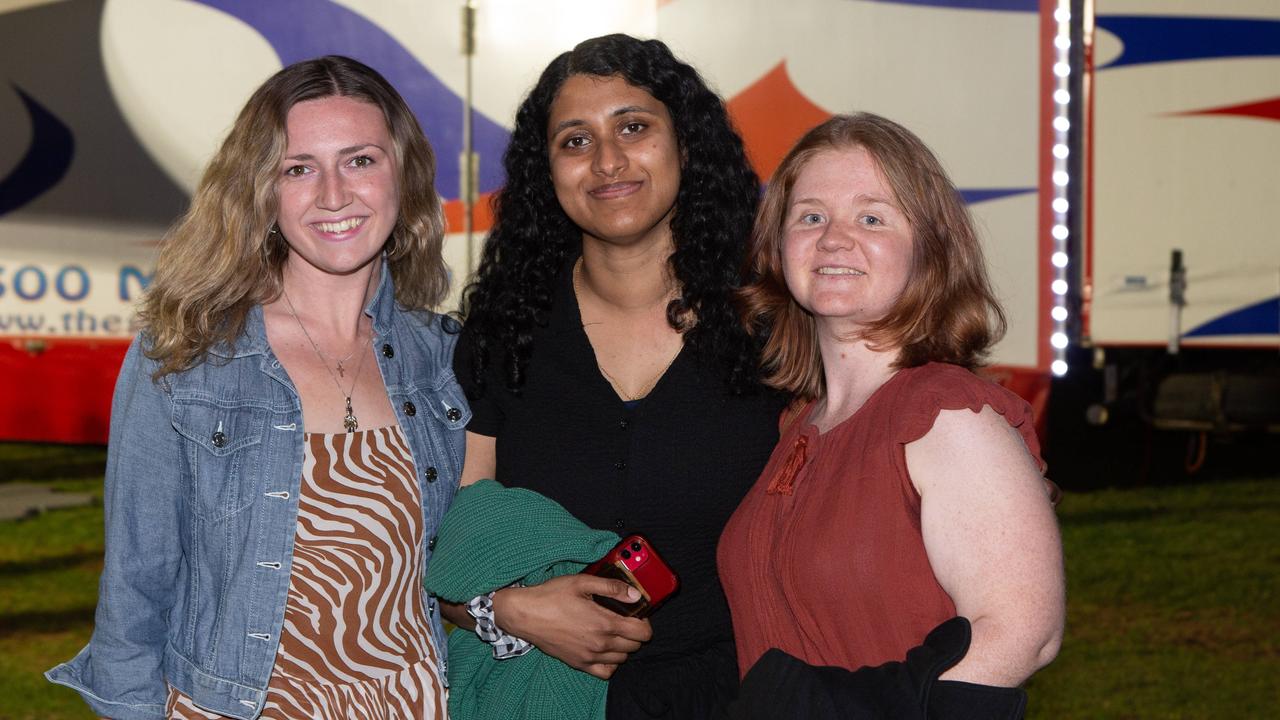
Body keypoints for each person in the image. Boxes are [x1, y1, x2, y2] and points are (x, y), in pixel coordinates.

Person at [45, 56, 467, 719]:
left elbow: (469, 570)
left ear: (404, 173)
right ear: (261, 191)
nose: (333, 194)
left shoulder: (444, 359)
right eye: (298, 168)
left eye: (360, 160)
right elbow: (133, 593)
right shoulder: (185, 355)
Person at [441, 34, 785, 718]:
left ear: (685, 144)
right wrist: (507, 611)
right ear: (547, 170)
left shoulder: (774, 327)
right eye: (575, 140)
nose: (607, 161)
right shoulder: (504, 334)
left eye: (633, 127)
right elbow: (449, 550)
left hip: (743, 697)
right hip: (537, 697)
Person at [718, 113, 1065, 718]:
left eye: (871, 217)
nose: (833, 238)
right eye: (810, 216)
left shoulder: (945, 412)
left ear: (928, 250)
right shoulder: (797, 425)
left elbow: (1023, 630)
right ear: (778, 249)